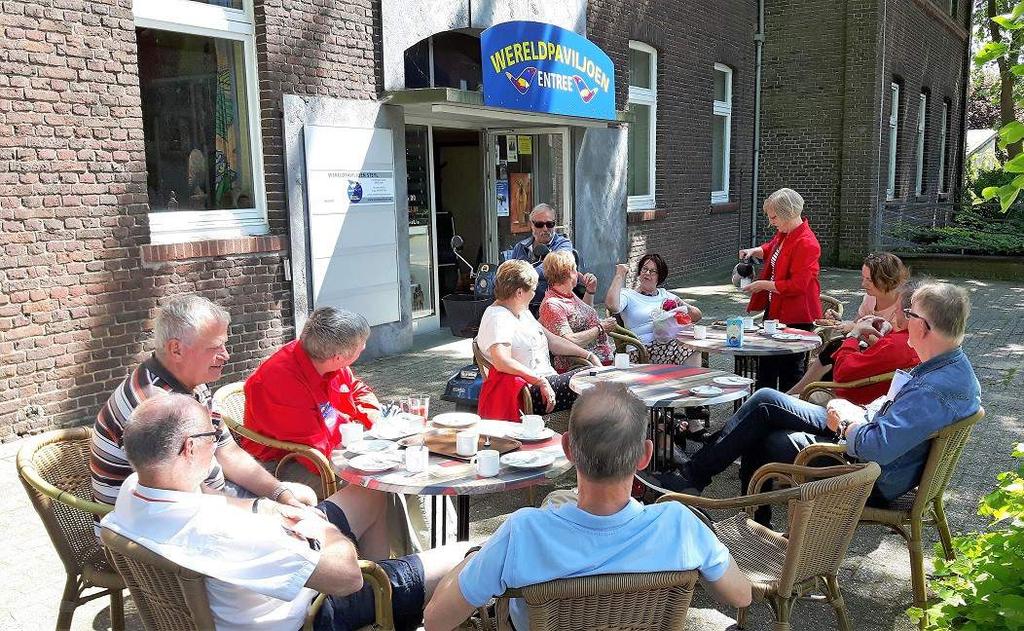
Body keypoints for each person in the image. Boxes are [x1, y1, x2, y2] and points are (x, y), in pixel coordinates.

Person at [101, 395, 470, 631]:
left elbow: (217, 504)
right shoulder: (224, 534)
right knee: (467, 552)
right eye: (212, 437)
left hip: (253, 583)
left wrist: (269, 506)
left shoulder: (136, 491)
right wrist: (324, 532)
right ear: (188, 448)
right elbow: (347, 579)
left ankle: (386, 606)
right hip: (310, 611)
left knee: (367, 494)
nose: (216, 446)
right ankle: (389, 593)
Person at [643, 282, 981, 525]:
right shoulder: (950, 367)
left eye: (909, 315)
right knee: (764, 401)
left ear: (923, 326)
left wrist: (848, 419)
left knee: (765, 436)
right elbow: (894, 410)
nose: (903, 320)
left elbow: (876, 447)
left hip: (870, 473)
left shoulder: (937, 388)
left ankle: (725, 501)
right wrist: (858, 412)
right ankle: (698, 481)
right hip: (865, 429)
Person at [423, 382, 752, 631]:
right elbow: (741, 596)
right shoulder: (680, 525)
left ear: (567, 448)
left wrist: (474, 558)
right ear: (645, 455)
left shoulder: (523, 533)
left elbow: (436, 620)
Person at [90, 295, 318, 514]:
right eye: (215, 347)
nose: (226, 355)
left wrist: (280, 493)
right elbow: (181, 501)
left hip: (202, 499)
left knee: (302, 499)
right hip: (149, 529)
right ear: (176, 349)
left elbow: (227, 451)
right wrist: (264, 508)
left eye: (224, 345)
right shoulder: (156, 409)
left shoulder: (192, 382)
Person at [243, 307, 381, 493]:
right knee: (372, 487)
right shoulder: (280, 382)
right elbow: (313, 453)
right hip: (283, 463)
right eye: (361, 345)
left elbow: (355, 388)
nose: (364, 346)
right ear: (338, 358)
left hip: (327, 449)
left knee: (397, 477)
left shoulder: (325, 359)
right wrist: (369, 453)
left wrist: (373, 415)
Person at [477, 259, 601, 417]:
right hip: (526, 392)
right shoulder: (497, 317)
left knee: (598, 377)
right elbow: (502, 361)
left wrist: (588, 355)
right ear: (519, 292)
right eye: (533, 290)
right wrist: (540, 381)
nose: (535, 294)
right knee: (595, 380)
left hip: (545, 382)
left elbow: (553, 341)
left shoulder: (522, 312)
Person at [739, 188, 822, 391]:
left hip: (797, 315)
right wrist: (754, 251)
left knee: (789, 371)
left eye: (774, 217)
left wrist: (762, 285)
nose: (771, 222)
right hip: (776, 310)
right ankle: (762, 409)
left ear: (788, 213)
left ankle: (788, 413)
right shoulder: (785, 233)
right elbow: (771, 248)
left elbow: (798, 285)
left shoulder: (807, 243)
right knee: (766, 366)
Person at [788, 282, 920, 404]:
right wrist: (888, 332)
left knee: (768, 397)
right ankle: (791, 393)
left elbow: (842, 374)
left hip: (848, 403)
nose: (863, 283)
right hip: (871, 397)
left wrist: (854, 335)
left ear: (909, 314)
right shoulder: (920, 342)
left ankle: (791, 393)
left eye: (897, 308)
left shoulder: (898, 345)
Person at [604, 253, 703, 365]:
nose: (647, 273)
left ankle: (687, 381)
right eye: (644, 269)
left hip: (668, 345)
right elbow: (611, 306)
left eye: (652, 271)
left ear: (659, 276)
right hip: (641, 349)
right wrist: (620, 275)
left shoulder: (665, 295)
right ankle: (689, 381)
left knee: (694, 347)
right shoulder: (628, 295)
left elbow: (697, 316)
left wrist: (683, 306)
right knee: (689, 350)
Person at [538, 250, 615, 373]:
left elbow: (584, 316)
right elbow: (568, 341)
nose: (578, 273)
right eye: (574, 268)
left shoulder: (567, 294)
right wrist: (600, 329)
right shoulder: (552, 305)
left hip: (598, 363)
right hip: (582, 368)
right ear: (566, 273)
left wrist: (590, 291)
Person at [824, 252, 910, 333]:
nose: (863, 284)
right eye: (863, 278)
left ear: (889, 280)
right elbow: (856, 323)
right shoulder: (870, 298)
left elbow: (891, 344)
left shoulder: (902, 306)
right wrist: (839, 322)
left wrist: (854, 328)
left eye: (870, 280)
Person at [507, 203, 575, 302]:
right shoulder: (520, 247)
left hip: (552, 304)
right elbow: (510, 274)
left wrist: (525, 275)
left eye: (549, 224)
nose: (545, 229)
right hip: (522, 304)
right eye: (539, 225)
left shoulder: (563, 245)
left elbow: (554, 267)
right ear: (532, 225)